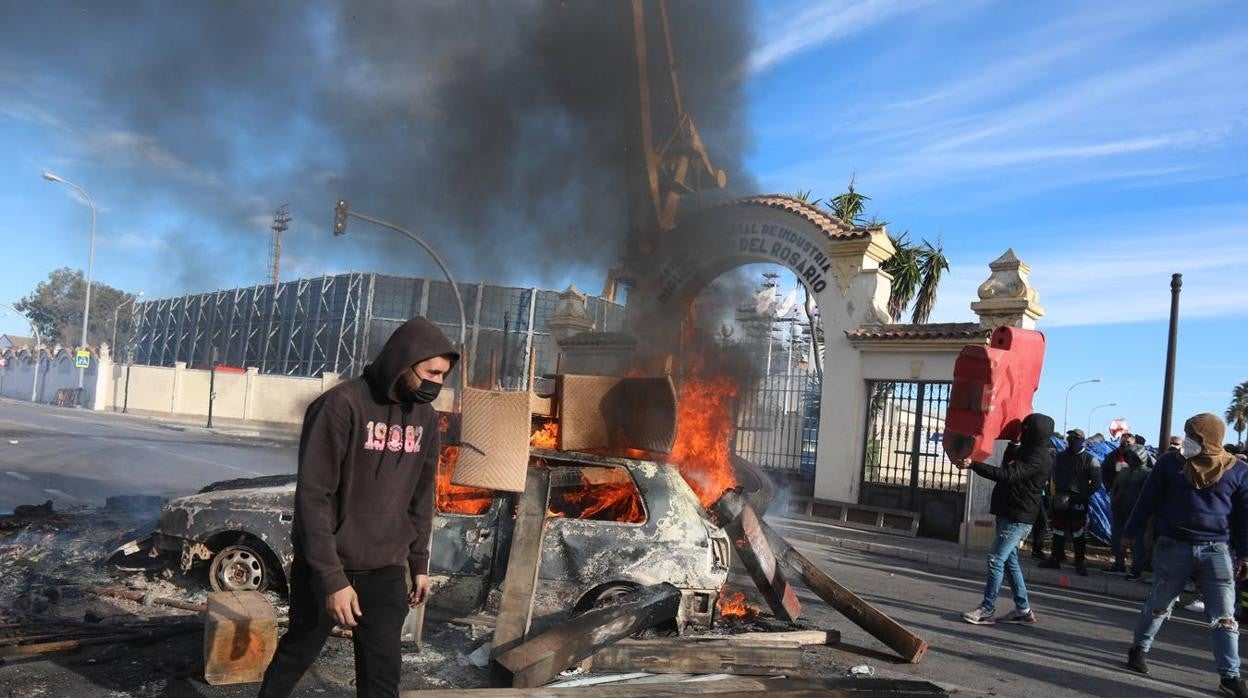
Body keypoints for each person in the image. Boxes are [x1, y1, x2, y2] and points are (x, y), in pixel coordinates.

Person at [259, 317, 458, 698]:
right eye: (432, 372)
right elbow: (313, 498)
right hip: (328, 565)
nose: (438, 382)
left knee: (383, 678)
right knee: (298, 652)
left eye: (444, 375)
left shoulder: (426, 418)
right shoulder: (340, 405)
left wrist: (419, 563)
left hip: (385, 566)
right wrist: (333, 581)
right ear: (404, 361)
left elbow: (420, 496)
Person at [1123, 413, 1248, 698]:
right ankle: (1139, 650)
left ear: (1208, 440)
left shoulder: (1238, 471)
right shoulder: (1170, 463)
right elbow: (1147, 501)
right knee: (1159, 604)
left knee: (1224, 616)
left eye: (1193, 436)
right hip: (1173, 546)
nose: (1187, 441)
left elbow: (1243, 519)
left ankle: (1230, 677)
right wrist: (1130, 533)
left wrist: (1245, 555)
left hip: (1217, 551)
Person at [955, 413, 1055, 626]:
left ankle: (987, 609)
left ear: (1036, 432)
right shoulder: (1027, 451)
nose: (1023, 432)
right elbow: (1007, 466)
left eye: (1026, 429)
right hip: (1009, 513)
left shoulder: (1039, 457)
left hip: (1018, 517)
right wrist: (1013, 444)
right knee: (1010, 562)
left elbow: (1008, 475)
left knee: (995, 559)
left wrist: (973, 464)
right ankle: (1023, 610)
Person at [1040, 429, 1101, 575]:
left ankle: (1079, 561)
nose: (1071, 440)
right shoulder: (1060, 457)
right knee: (1058, 529)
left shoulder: (1090, 459)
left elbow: (1097, 482)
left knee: (1078, 531)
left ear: (1081, 440)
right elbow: (1053, 475)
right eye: (1070, 437)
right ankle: (1056, 557)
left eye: (1075, 438)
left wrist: (1084, 495)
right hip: (1061, 497)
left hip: (1078, 499)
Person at [1111, 443, 1152, 581]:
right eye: (1128, 456)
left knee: (1137, 542)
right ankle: (1118, 563)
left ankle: (1136, 569)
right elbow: (1115, 487)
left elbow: (1147, 494)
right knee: (1117, 537)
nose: (1130, 458)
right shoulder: (1123, 471)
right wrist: (1114, 500)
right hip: (1119, 509)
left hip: (1136, 512)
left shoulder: (1147, 474)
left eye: (1133, 456)